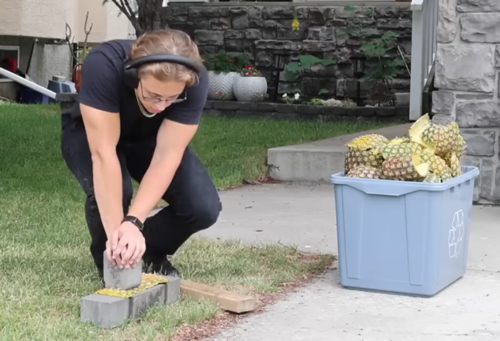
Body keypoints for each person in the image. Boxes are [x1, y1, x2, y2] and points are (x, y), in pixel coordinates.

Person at [60, 29, 221, 282]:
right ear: (134, 77)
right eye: (154, 96)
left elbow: (167, 155)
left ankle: (149, 250)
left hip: (149, 138)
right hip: (91, 135)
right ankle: (113, 258)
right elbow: (104, 155)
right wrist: (117, 232)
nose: (160, 106)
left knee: (202, 208)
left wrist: (134, 223)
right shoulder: (104, 64)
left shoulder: (194, 81)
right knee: (119, 191)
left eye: (171, 99)